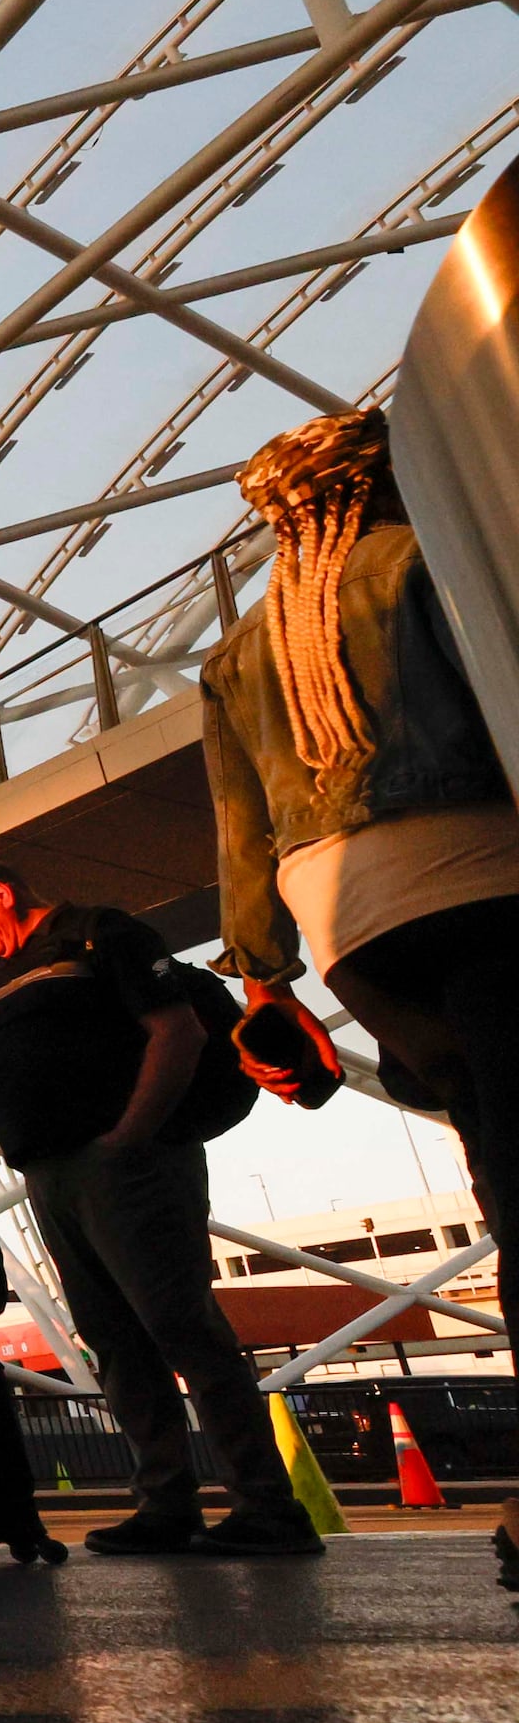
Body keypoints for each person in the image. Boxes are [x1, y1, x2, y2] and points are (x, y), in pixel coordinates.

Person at [0, 856, 318, 1556]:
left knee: (180, 1325)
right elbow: (32, 1079)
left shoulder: (100, 935)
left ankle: (267, 1507)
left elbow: (179, 1032)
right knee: (112, 1337)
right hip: (51, 1173)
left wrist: (129, 1137)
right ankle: (166, 1505)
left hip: (127, 1166)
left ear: (3, 894)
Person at [200, 406, 519, 1226]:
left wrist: (265, 988)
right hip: (486, 885)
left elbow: (241, 830)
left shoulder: (239, 649)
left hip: (356, 934)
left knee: (491, 1150)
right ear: (385, 478)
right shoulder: (424, 562)